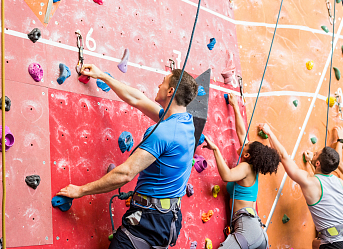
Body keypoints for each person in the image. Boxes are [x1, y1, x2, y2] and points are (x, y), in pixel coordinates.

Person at [57, 64, 198, 249]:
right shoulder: (184, 122)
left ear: (171, 90)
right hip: (167, 218)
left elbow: (125, 174)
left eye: (163, 83)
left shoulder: (165, 132)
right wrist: (102, 76)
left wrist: (80, 191)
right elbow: (137, 99)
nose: (158, 85)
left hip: (150, 222)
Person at [258, 123, 343, 249]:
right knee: (315, 243)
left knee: (317, 243)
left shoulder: (309, 181)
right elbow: (321, 180)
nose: (314, 152)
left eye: (315, 153)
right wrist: (313, 162)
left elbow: (283, 156)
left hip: (334, 244)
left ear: (318, 163)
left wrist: (269, 132)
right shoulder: (339, 182)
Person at [202, 93, 280, 249]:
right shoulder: (251, 166)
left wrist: (216, 149)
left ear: (246, 155)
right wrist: (235, 107)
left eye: (245, 145)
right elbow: (241, 133)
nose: (243, 143)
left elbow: (227, 176)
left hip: (248, 229)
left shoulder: (245, 167)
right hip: (254, 230)